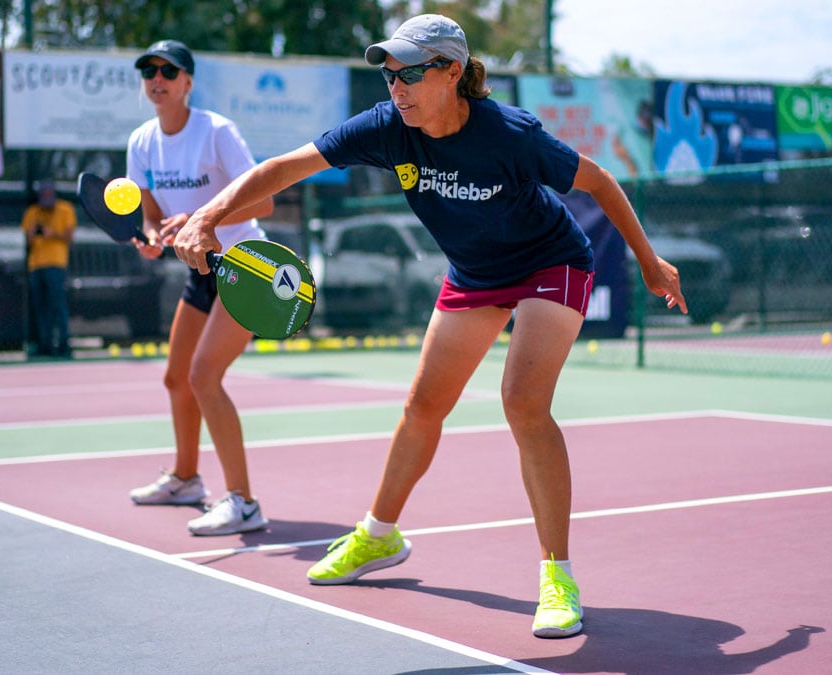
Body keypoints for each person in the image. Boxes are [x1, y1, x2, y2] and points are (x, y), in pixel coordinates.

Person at [172, 15, 687, 638]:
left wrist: (649, 260)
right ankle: (378, 535)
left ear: (451, 72)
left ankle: (558, 576)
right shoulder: (388, 127)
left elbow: (599, 181)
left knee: (523, 403)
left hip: (551, 262)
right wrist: (209, 214)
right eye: (390, 74)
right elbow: (285, 168)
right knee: (422, 406)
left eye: (411, 72)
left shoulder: (509, 134)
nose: (397, 87)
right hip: (475, 273)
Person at [124, 39, 276, 536]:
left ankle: (244, 503)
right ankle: (187, 478)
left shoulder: (216, 132)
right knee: (177, 378)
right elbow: (150, 214)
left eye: (169, 70)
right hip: (201, 270)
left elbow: (265, 202)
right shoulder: (142, 141)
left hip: (246, 267)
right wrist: (151, 237)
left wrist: (202, 216)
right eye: (149, 70)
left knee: (204, 376)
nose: (157, 78)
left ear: (188, 81)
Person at [21, 178, 75, 357]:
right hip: (36, 264)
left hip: (56, 264)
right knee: (40, 306)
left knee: (58, 304)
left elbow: (68, 237)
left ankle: (63, 343)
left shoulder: (65, 209)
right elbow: (28, 239)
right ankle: (44, 344)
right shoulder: (33, 212)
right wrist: (34, 229)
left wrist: (52, 234)